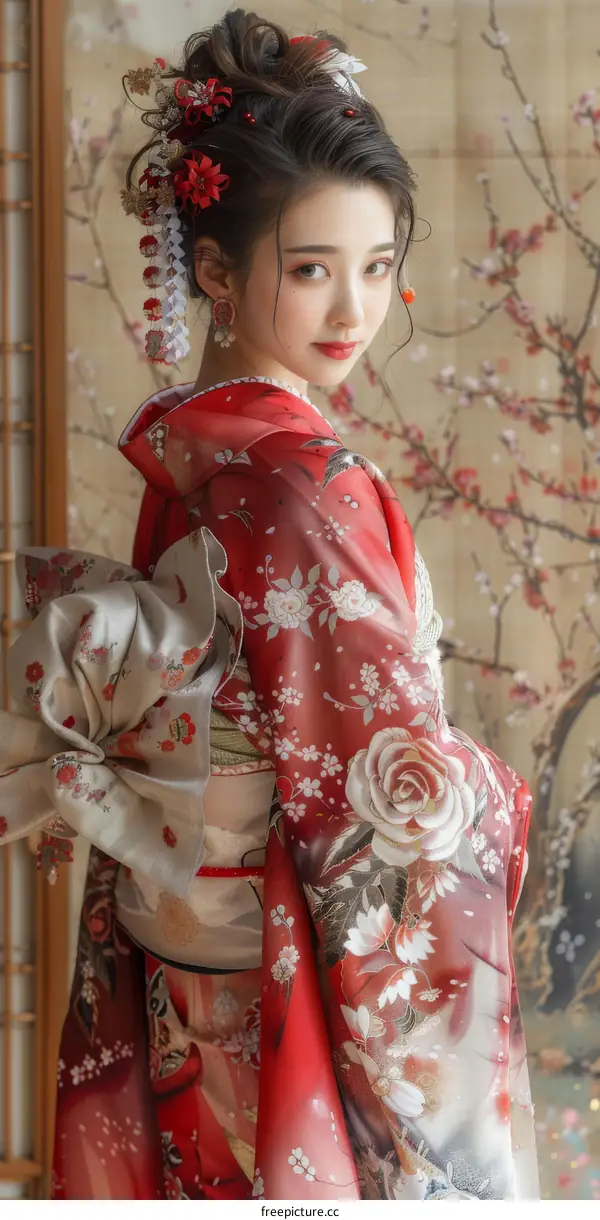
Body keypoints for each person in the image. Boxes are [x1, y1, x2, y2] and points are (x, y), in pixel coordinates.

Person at [0, 10, 539, 1201]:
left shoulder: (200, 454)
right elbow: (381, 797)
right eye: (311, 270)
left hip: (189, 968)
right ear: (210, 269)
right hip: (271, 985)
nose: (354, 310)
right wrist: (488, 789)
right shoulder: (302, 481)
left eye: (378, 266)